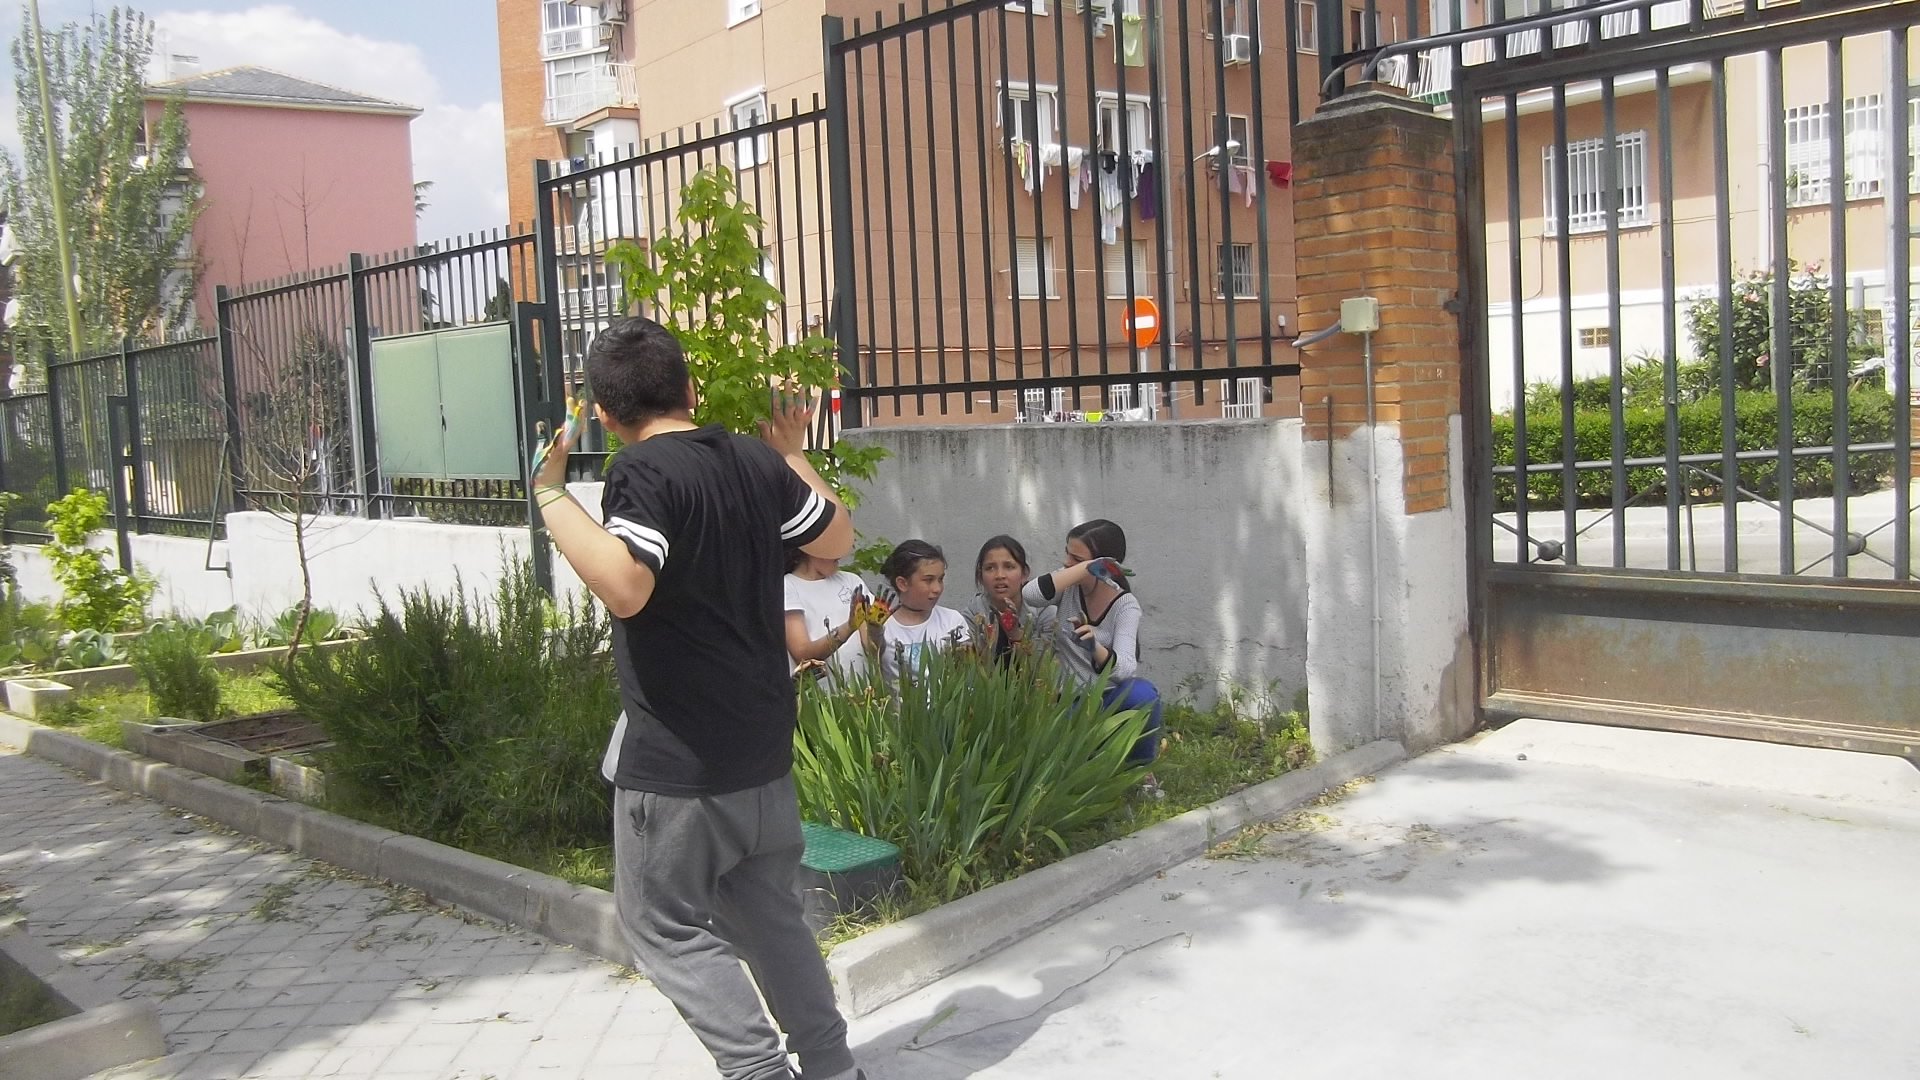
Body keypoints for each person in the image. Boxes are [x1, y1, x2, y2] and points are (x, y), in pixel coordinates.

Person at [531, 316, 863, 1080]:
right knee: (771, 915)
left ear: (606, 417)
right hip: (763, 753)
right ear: (690, 387)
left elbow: (625, 585)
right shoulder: (752, 458)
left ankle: (757, 1069)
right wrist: (791, 454)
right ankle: (833, 1066)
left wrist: (550, 495)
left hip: (682, 766)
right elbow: (836, 538)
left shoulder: (641, 472)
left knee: (663, 926)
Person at [1022, 518, 1163, 767]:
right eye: (1068, 554)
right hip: (1067, 700)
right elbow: (1030, 595)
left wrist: (1095, 648)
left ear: (1106, 566)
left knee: (1144, 694)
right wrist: (1080, 569)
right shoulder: (1067, 587)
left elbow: (1126, 669)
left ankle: (1138, 769)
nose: (1066, 563)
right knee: (1065, 760)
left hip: (1107, 697)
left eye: (1076, 559)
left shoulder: (1125, 605)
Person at [871, 539, 970, 689]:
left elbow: (969, 671)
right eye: (928, 580)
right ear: (902, 583)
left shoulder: (952, 620)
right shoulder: (883, 626)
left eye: (940, 579)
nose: (937, 588)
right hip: (902, 711)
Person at [961, 534, 1056, 666]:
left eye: (1009, 567)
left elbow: (1042, 669)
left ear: (1024, 574)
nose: (1000, 575)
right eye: (990, 568)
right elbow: (968, 671)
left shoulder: (1045, 613)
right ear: (980, 576)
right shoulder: (973, 613)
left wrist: (1015, 634)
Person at [783, 549, 869, 683]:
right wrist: (849, 627)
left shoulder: (851, 580)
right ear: (810, 550)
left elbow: (872, 648)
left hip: (861, 691)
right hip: (819, 695)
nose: (840, 553)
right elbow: (802, 654)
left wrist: (877, 629)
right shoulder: (788, 585)